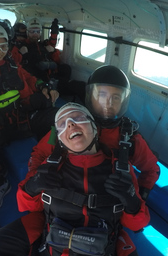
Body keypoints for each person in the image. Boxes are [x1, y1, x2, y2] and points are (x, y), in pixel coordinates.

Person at [0, 103, 160, 256]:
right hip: (51, 251)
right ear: (59, 140)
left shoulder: (121, 169)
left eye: (78, 118)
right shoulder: (50, 166)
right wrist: (33, 185)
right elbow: (25, 205)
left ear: (94, 128)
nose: (71, 125)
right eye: (63, 124)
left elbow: (137, 224)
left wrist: (131, 201)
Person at [28, 65, 160, 202]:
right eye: (102, 95)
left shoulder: (129, 138)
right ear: (90, 97)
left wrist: (137, 197)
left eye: (115, 97)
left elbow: (151, 170)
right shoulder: (65, 127)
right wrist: (35, 183)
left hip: (106, 205)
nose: (108, 103)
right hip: (66, 197)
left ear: (123, 101)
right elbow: (39, 154)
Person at [0, 20, 59, 211]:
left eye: (3, 46)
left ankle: (56, 160)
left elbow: (30, 79)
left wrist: (43, 86)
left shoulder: (13, 66)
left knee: (57, 118)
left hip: (21, 121)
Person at [19, 18, 72, 95]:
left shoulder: (43, 45)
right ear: (27, 32)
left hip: (51, 75)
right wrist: (21, 54)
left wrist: (53, 50)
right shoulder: (23, 46)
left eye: (37, 31)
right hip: (38, 79)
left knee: (66, 69)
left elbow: (56, 59)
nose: (35, 34)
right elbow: (16, 64)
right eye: (32, 31)